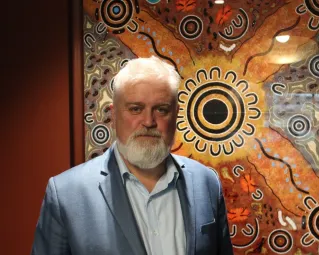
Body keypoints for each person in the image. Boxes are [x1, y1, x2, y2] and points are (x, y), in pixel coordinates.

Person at [32, 56, 234, 255]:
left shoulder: (206, 183)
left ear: (176, 115)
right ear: (113, 115)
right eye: (136, 109)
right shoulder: (66, 194)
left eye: (161, 109)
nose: (148, 121)